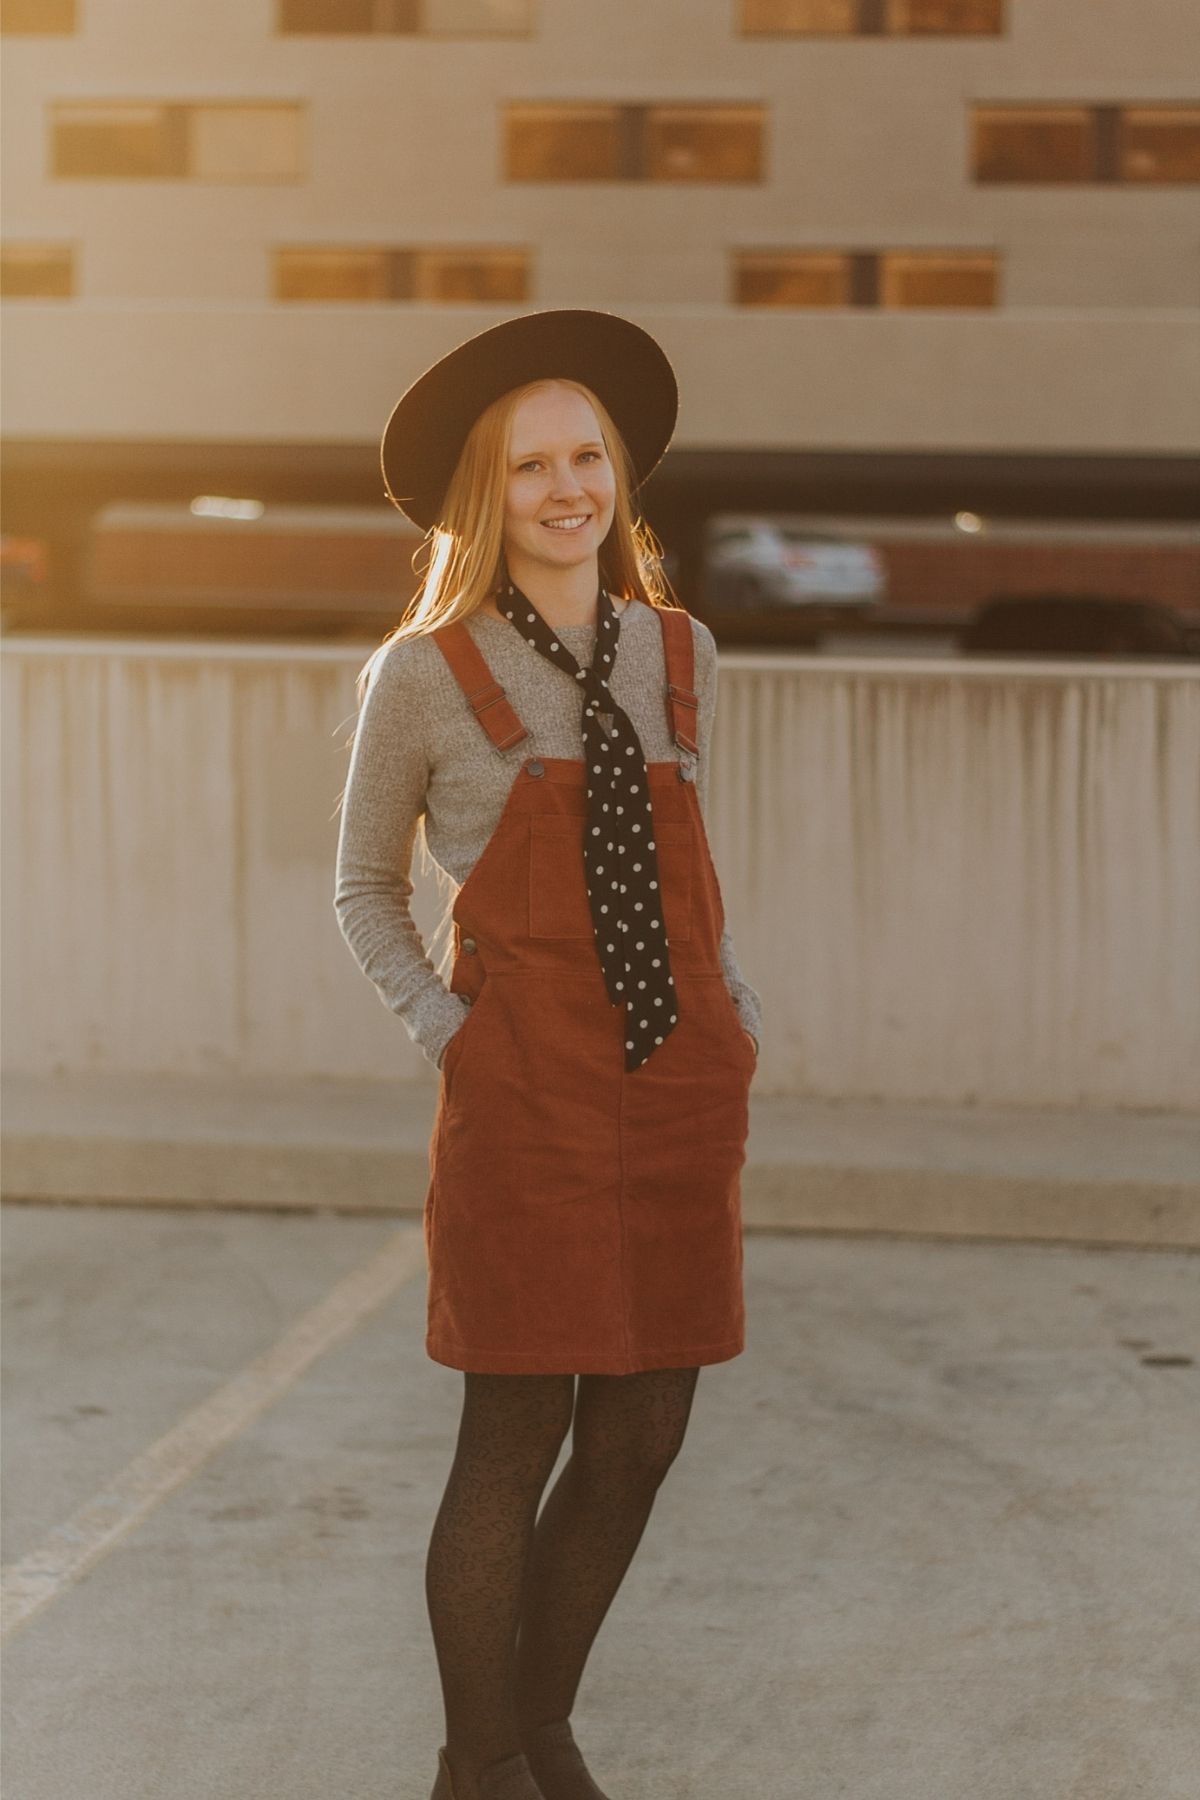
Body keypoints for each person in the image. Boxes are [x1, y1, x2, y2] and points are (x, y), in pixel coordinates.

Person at [333, 309, 763, 1800]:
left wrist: (736, 1007)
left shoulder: (684, 649)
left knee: (645, 1427)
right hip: (523, 1101)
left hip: (679, 1093)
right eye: (533, 466)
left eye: (587, 456)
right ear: (487, 490)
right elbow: (363, 890)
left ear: (619, 475)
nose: (568, 486)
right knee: (513, 1432)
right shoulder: (423, 674)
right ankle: (483, 1760)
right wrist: (452, 1035)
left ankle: (545, 1721)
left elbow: (687, 876)